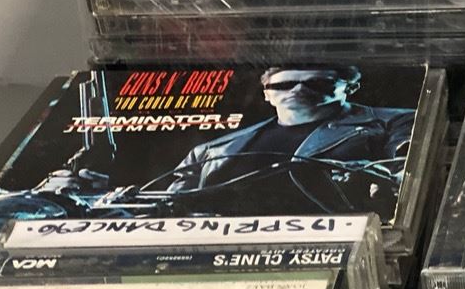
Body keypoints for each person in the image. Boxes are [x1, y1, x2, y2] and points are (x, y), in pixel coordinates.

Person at [167, 66, 414, 203]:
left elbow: (408, 170)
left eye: (315, 83)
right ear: (266, 93)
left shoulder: (395, 121)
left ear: (350, 87)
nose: (297, 89)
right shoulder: (213, 150)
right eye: (284, 85)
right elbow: (169, 202)